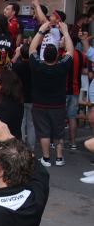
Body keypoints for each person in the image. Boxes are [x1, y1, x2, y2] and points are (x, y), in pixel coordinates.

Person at [28, 20, 74, 166]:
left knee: (44, 131)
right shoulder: (62, 66)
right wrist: (65, 32)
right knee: (58, 131)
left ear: (44, 56)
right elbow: (70, 52)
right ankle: (59, 158)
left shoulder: (37, 66)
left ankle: (46, 158)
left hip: (40, 104)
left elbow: (31, 49)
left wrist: (41, 30)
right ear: (56, 56)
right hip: (58, 104)